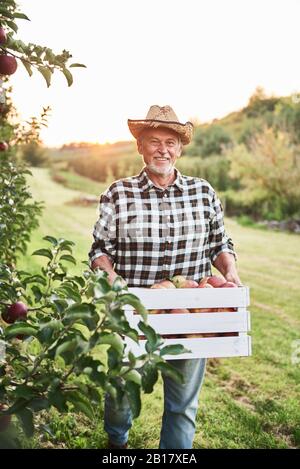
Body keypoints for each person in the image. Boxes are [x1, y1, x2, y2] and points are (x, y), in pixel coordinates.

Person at [88, 105, 241, 449]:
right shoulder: (119, 193)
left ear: (180, 148)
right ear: (140, 147)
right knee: (122, 393)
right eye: (154, 141)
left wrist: (230, 270)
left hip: (191, 314)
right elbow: (99, 250)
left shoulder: (202, 192)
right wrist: (113, 280)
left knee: (183, 402)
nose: (162, 149)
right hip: (135, 313)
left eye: (170, 142)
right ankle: (118, 442)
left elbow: (219, 242)